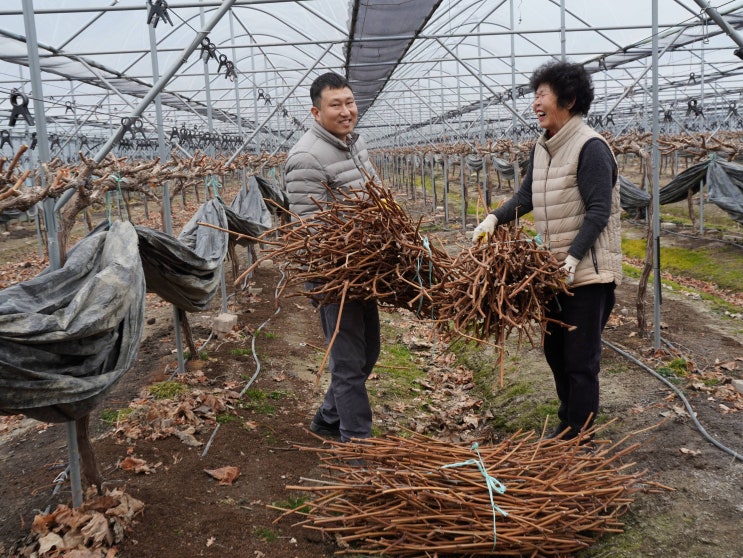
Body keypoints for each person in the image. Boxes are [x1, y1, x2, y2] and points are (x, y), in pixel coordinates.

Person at [472, 60, 622, 440]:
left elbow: (599, 211)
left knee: (580, 360)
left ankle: (579, 435)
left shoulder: (590, 147)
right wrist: (494, 219)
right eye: (534, 95)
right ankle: (568, 421)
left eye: (543, 95)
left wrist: (572, 258)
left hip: (587, 274)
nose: (535, 102)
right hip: (553, 273)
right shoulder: (543, 147)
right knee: (556, 353)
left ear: (568, 100)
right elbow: (526, 197)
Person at [284, 72, 381, 443]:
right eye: (335, 105)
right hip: (334, 274)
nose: (346, 111)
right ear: (316, 112)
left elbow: (375, 195)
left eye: (350, 102)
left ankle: (327, 417)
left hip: (364, 267)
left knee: (368, 352)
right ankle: (357, 444)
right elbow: (311, 231)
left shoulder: (354, 142)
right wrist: (338, 271)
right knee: (348, 361)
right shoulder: (306, 158)